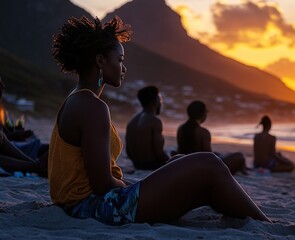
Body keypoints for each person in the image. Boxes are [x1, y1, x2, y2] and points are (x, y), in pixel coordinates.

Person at [49, 16, 270, 226]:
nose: (123, 68)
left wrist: (144, 184)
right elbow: (102, 184)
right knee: (209, 163)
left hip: (85, 206)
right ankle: (265, 225)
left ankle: (251, 219)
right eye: (120, 60)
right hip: (94, 209)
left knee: (189, 168)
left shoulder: (78, 100)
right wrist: (138, 186)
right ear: (100, 61)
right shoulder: (92, 107)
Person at [176, 100, 248, 175]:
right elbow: (209, 156)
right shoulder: (203, 132)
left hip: (184, 165)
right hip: (203, 169)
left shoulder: (181, 128)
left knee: (220, 155)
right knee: (239, 156)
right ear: (202, 114)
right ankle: (244, 172)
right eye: (206, 112)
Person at [125, 86, 169, 170]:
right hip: (153, 167)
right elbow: (159, 154)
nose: (161, 102)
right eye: (160, 99)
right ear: (156, 100)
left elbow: (128, 152)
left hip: (137, 165)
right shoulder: (155, 121)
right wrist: (172, 160)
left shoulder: (132, 121)